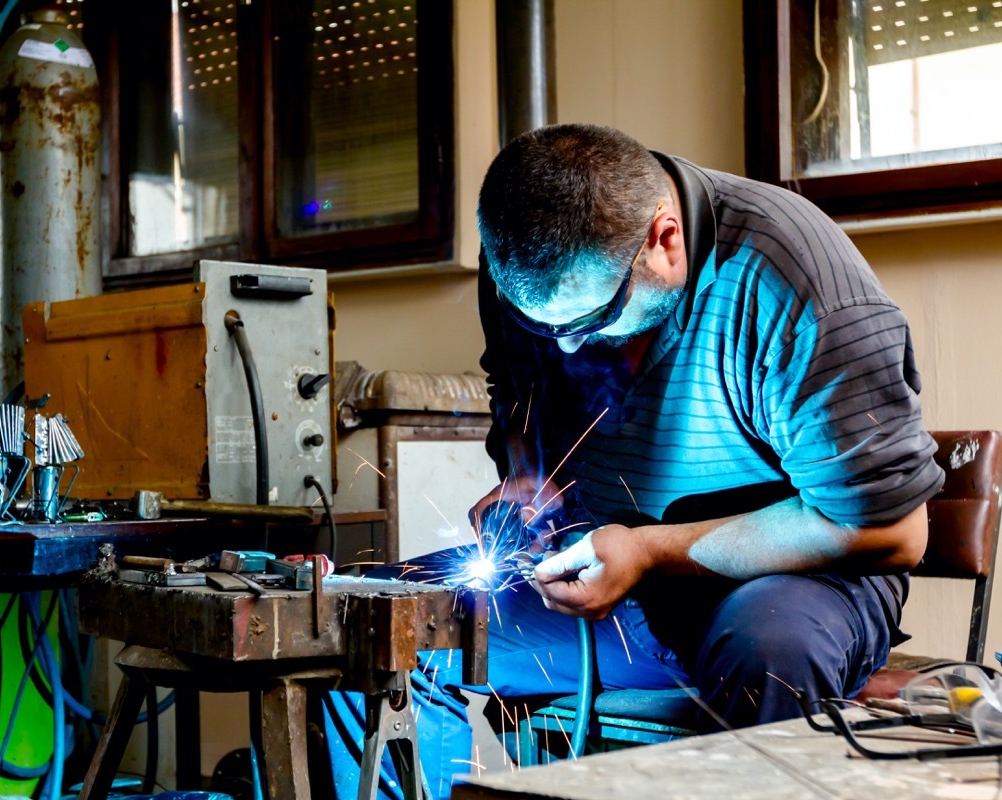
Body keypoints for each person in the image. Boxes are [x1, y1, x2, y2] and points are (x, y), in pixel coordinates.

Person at [322, 123, 944, 799]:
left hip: (789, 587)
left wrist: (648, 551)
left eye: (592, 319)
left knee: (769, 653)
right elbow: (521, 391)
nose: (567, 349)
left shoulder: (796, 285)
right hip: (604, 570)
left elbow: (895, 532)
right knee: (367, 621)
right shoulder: (534, 260)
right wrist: (531, 480)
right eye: (545, 328)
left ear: (665, 240)